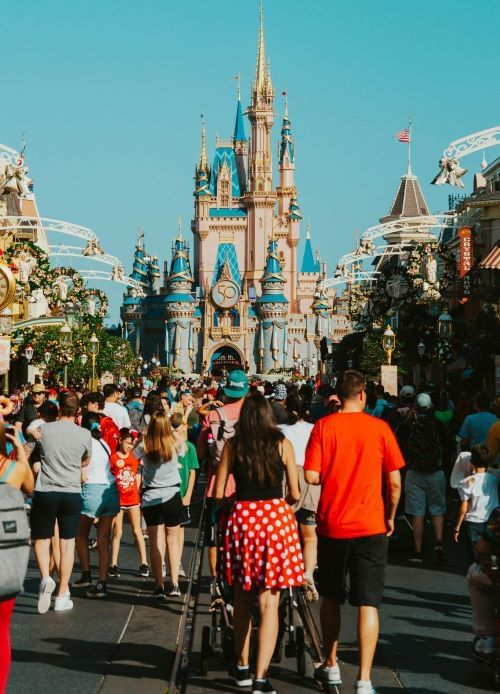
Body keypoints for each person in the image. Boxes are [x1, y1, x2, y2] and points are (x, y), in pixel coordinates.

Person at [304, 370, 404, 693]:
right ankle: (363, 680)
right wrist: (390, 516)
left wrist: (334, 473)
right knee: (368, 603)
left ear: (340, 395)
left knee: (332, 597)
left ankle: (331, 665)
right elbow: (394, 482)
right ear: (363, 396)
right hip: (371, 525)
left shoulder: (324, 427)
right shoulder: (380, 429)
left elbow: (311, 476)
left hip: (333, 524)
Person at [215, 392, 303, 694]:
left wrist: (236, 504)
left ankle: (241, 666)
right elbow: (294, 490)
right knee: (269, 603)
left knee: (241, 597)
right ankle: (261, 677)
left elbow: (217, 494)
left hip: (243, 518)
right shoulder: (283, 444)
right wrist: (281, 508)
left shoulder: (233, 445)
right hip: (276, 519)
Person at [30, 392, 92, 613]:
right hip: (71, 492)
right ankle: (62, 594)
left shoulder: (44, 430)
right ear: (78, 412)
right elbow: (86, 460)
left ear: (58, 407)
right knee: (67, 544)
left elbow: (31, 437)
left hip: (46, 489)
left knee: (42, 538)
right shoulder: (84, 434)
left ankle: (46, 577)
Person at [197, 370, 249, 584]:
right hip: (247, 488)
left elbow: (200, 453)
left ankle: (217, 581)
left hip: (216, 485)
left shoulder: (213, 416)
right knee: (244, 535)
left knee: (214, 537)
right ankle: (242, 574)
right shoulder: (252, 416)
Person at [0, 423, 34, 693]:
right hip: (5, 561)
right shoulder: (15, 469)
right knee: (2, 630)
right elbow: (30, 488)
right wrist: (21, 450)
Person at [137, 411, 185, 599]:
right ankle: (174, 584)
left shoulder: (144, 446)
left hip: (151, 497)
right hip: (172, 495)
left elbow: (133, 457)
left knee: (156, 543)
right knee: (172, 542)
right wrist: (172, 432)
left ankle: (158, 586)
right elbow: (182, 448)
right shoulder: (174, 443)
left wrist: (145, 435)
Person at [74, 412, 119, 597]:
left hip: (91, 489)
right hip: (110, 490)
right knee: (103, 540)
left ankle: (85, 574)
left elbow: (81, 470)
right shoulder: (104, 444)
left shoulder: (83, 444)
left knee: (80, 535)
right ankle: (102, 583)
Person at [280, 390, 318, 601]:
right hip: (311, 478)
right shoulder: (315, 429)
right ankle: (308, 573)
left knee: (287, 529)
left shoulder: (280, 430)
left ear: (287, 409)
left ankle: (288, 569)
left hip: (288, 478)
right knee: (309, 533)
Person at [401, 392, 447, 564]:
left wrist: (408, 418)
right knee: (437, 509)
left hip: (415, 472)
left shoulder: (411, 425)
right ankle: (439, 542)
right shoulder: (438, 424)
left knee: (417, 513)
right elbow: (447, 445)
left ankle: (418, 551)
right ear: (431, 407)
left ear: (416, 407)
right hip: (436, 472)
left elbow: (399, 436)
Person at [109, 428, 149, 577]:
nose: (129, 446)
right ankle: (113, 564)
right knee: (117, 532)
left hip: (133, 499)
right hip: (118, 500)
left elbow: (142, 445)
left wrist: (142, 437)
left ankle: (144, 563)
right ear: (120, 441)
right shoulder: (113, 458)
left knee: (137, 530)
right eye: (127, 443)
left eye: (131, 444)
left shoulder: (134, 456)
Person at [454, 445, 499, 563]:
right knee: (492, 550)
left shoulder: (465, 483)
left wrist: (457, 527)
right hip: (491, 520)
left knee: (475, 554)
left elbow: (464, 507)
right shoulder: (494, 478)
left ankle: (477, 572)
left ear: (472, 462)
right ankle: (493, 572)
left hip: (473, 522)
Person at [170, 413, 199, 577]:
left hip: (182, 493)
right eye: (173, 426)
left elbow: (193, 471)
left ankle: (178, 561)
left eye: (178, 426)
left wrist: (188, 494)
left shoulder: (190, 447)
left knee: (179, 529)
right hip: (167, 493)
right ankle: (166, 562)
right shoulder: (165, 445)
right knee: (166, 530)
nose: (176, 429)